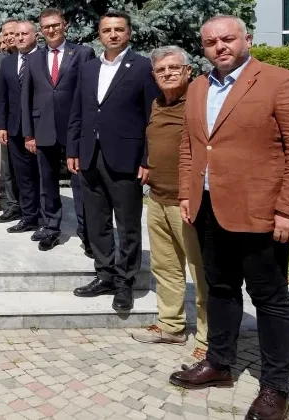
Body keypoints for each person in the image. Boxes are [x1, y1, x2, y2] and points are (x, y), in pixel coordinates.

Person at [170, 16, 289, 420]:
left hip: (260, 212)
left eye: (228, 38)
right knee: (220, 288)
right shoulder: (199, 87)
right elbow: (190, 146)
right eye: (210, 42)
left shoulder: (281, 83)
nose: (220, 46)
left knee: (270, 298)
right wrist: (186, 193)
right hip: (208, 209)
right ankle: (219, 363)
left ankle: (276, 387)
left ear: (247, 38)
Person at [68, 9, 159, 310]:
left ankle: (125, 282)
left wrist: (146, 159)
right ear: (100, 34)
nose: (113, 35)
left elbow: (152, 118)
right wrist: (73, 150)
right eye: (107, 30)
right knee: (97, 222)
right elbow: (78, 111)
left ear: (129, 33)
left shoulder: (142, 67)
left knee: (128, 224)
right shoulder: (89, 68)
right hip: (89, 156)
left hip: (126, 158)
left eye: (119, 29)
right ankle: (104, 275)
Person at [129, 46, 208, 368]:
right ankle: (172, 326)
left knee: (201, 273)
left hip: (188, 201)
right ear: (154, 76)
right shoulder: (157, 103)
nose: (168, 74)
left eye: (174, 68)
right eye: (161, 70)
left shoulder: (200, 103)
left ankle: (208, 339)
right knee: (165, 267)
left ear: (188, 71)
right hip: (158, 198)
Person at [22, 8, 94, 252]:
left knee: (80, 182)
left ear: (65, 25)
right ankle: (51, 228)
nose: (51, 30)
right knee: (47, 181)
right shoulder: (33, 58)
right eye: (46, 27)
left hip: (75, 128)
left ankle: (87, 234)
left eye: (55, 25)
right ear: (41, 31)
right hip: (43, 127)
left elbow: (89, 92)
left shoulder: (82, 53)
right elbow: (26, 98)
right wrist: (29, 133)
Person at [0, 20, 42, 235]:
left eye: (24, 34)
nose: (19, 38)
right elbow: (2, 96)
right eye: (17, 34)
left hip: (40, 128)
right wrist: (1, 125)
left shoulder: (43, 58)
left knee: (42, 175)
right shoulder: (8, 62)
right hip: (14, 128)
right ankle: (29, 216)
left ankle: (47, 217)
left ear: (35, 36)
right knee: (22, 176)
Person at [0, 22, 20, 221]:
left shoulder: (34, 56)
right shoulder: (0, 60)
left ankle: (31, 207)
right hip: (6, 123)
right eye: (6, 34)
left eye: (13, 33)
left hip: (29, 124)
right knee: (7, 168)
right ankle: (12, 205)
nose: (9, 37)